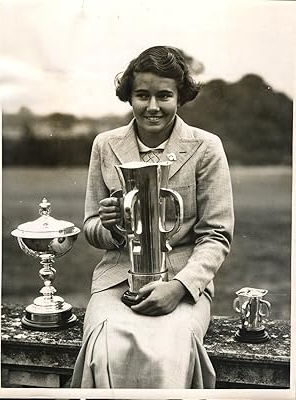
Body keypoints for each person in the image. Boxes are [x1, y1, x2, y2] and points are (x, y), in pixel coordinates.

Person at [71, 45, 234, 389]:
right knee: (105, 350)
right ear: (129, 97)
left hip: (184, 284)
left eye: (164, 95)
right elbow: (91, 228)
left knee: (167, 355)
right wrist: (112, 225)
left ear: (180, 97)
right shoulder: (105, 144)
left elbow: (216, 235)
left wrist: (178, 289)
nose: (153, 107)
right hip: (116, 282)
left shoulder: (206, 147)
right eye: (142, 95)